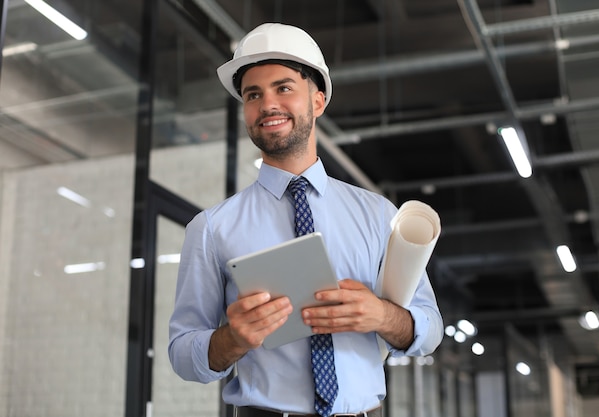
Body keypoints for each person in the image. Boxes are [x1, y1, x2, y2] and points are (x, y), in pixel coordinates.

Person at [168, 22, 443, 417]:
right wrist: (232, 339)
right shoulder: (212, 228)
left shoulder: (378, 215)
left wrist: (383, 316)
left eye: (283, 88)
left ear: (318, 101)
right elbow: (182, 353)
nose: (267, 105)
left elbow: (430, 329)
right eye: (253, 94)